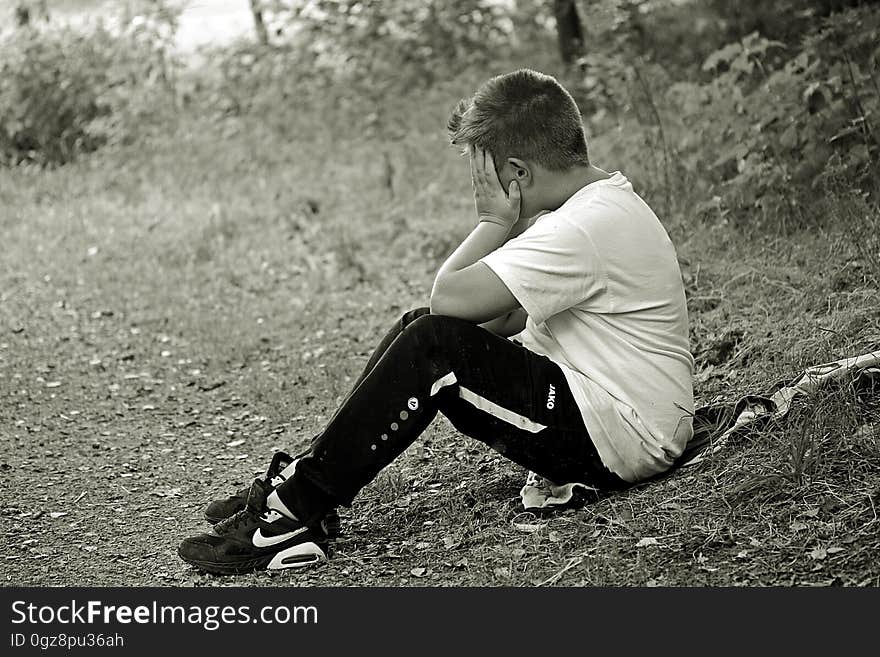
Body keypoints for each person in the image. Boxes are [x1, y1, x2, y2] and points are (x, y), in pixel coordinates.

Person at [178, 69, 695, 575]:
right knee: (421, 327)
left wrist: (494, 223)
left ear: (518, 173)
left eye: (486, 174)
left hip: (622, 438)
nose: (482, 187)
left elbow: (450, 302)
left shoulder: (582, 227)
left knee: (433, 340)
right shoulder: (591, 208)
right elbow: (505, 315)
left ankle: (294, 513)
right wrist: (437, 347)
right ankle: (304, 480)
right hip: (607, 415)